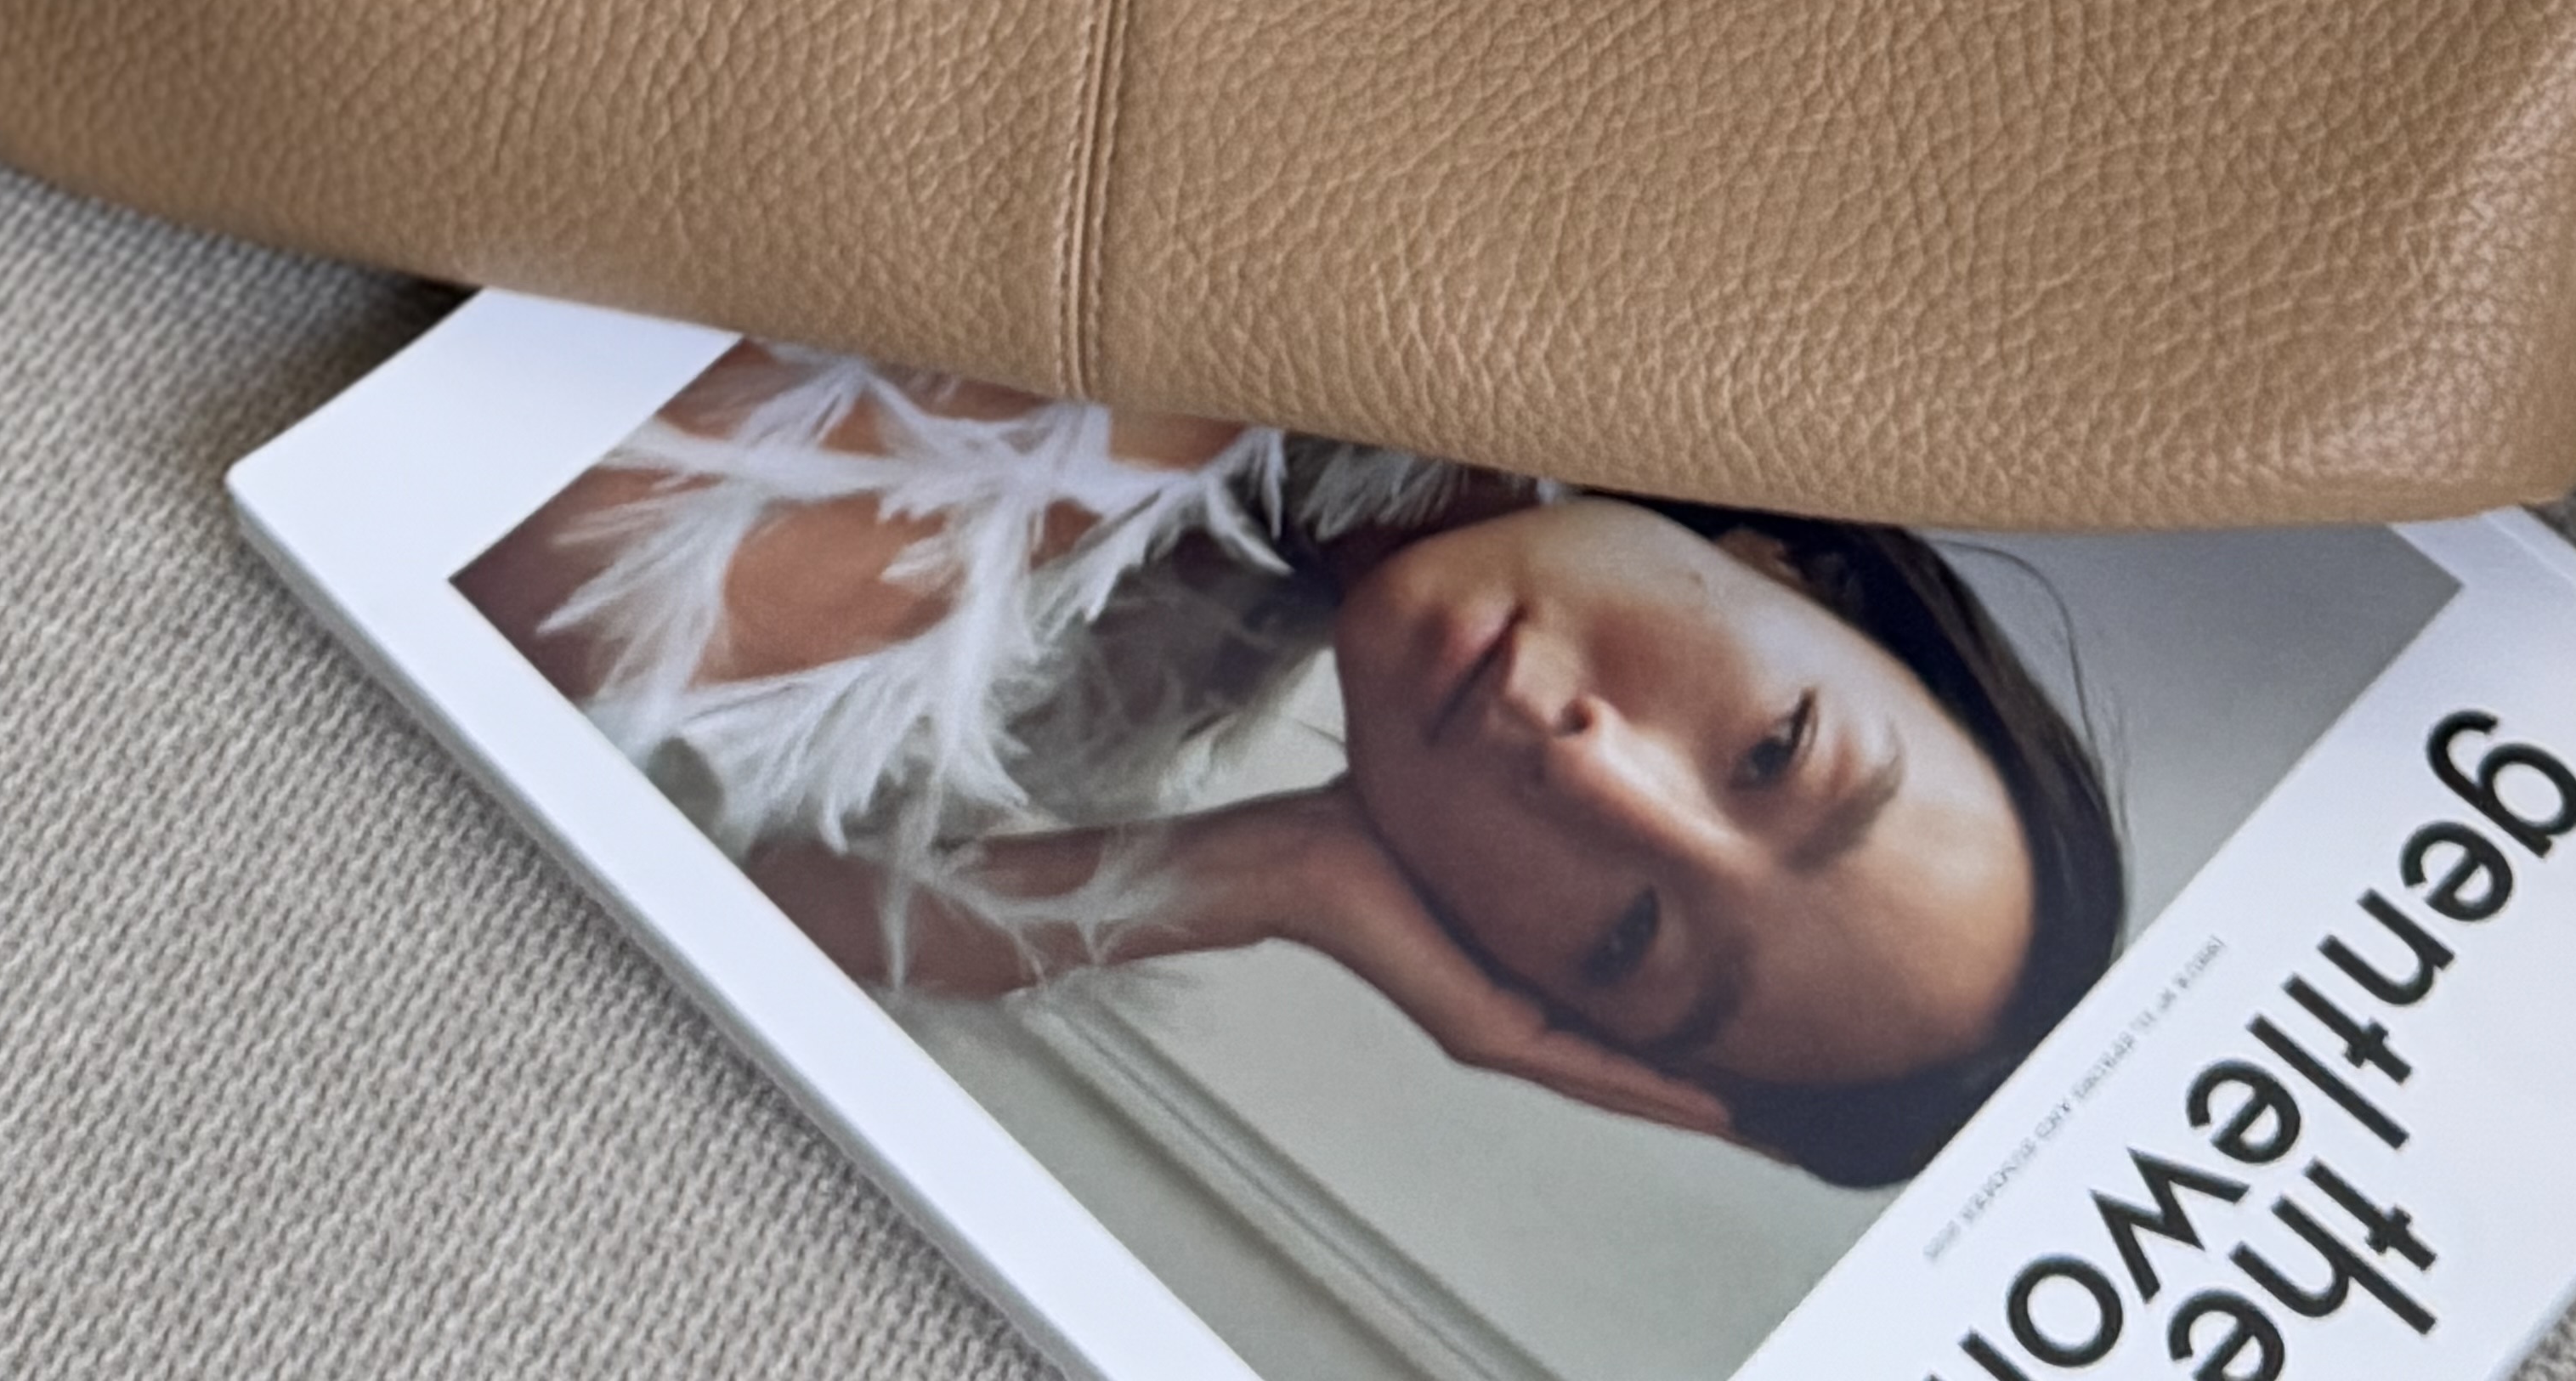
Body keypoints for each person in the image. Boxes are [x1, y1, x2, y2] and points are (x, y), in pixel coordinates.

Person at [462, 344, 2126, 1188]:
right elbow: (575, 586)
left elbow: (506, 596)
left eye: (1627, 935)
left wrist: (1269, 878)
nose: (1597, 774)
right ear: (1801, 571)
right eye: (1776, 749)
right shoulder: (1558, 235)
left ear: (1500, 963)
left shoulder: (1129, 657)